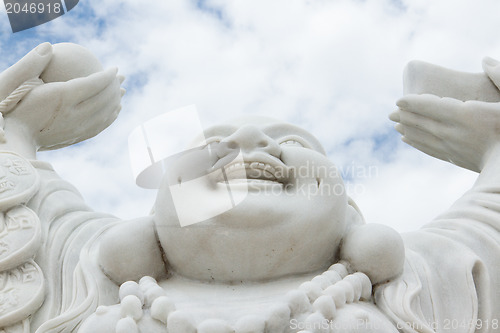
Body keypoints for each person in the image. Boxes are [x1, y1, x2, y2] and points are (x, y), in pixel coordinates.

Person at [0, 43, 498, 332]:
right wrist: (15, 132)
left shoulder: (419, 285)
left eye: (291, 141)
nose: (246, 142)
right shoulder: (88, 284)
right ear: (153, 216)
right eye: (211, 143)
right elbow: (28, 214)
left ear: (348, 215)